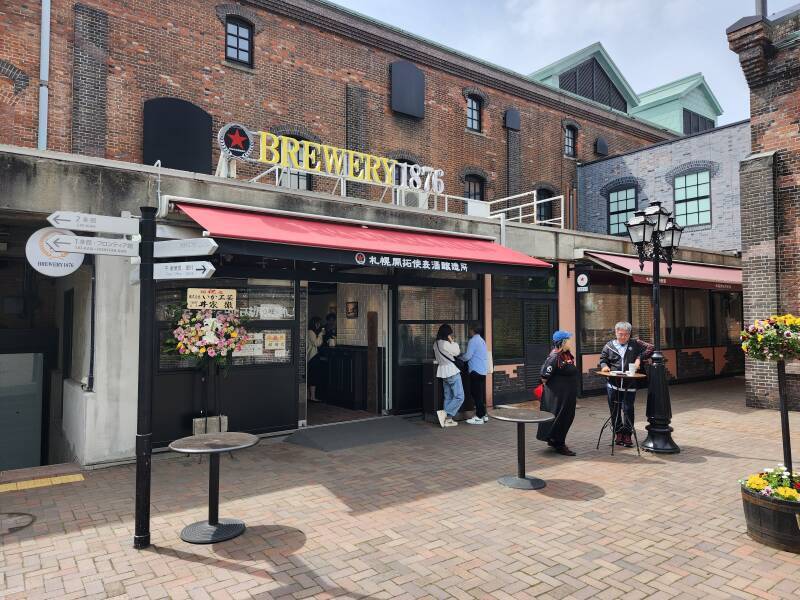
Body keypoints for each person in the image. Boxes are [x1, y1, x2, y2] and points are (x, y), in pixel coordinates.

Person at [599, 321, 645, 448]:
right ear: (616, 333)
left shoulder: (635, 344)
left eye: (626, 335)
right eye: (620, 334)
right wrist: (604, 366)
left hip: (629, 384)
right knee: (615, 410)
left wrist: (638, 359)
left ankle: (628, 434)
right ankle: (618, 433)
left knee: (628, 409)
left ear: (630, 334)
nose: (623, 337)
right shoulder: (609, 346)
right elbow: (603, 359)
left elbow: (648, 349)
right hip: (613, 384)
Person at [536, 330, 578, 456]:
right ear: (563, 342)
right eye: (568, 339)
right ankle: (559, 443)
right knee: (561, 418)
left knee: (566, 417)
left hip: (567, 395)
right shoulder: (554, 356)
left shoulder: (566, 354)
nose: (571, 341)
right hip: (558, 396)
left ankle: (554, 440)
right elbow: (544, 376)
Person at [433, 324, 464, 428]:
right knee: (459, 396)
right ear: (447, 334)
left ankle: (448, 420)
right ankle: (445, 415)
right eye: (450, 334)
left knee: (448, 396)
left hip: (443, 372)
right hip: (452, 372)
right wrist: (452, 341)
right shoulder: (446, 343)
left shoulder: (436, 344)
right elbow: (457, 352)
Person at [461, 323, 489, 425]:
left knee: (476, 394)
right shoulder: (482, 340)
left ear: (473, 330)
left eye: (470, 329)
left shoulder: (473, 341)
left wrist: (460, 358)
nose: (469, 331)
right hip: (482, 370)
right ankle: (484, 415)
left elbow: (468, 356)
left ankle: (479, 417)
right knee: (479, 394)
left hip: (475, 371)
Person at [306, 316, 325, 402]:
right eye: (318, 323)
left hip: (312, 356)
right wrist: (321, 334)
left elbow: (318, 343)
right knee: (313, 376)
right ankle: (312, 397)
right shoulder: (311, 332)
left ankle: (309, 396)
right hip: (312, 356)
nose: (319, 325)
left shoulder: (312, 332)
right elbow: (317, 344)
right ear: (314, 323)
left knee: (311, 375)